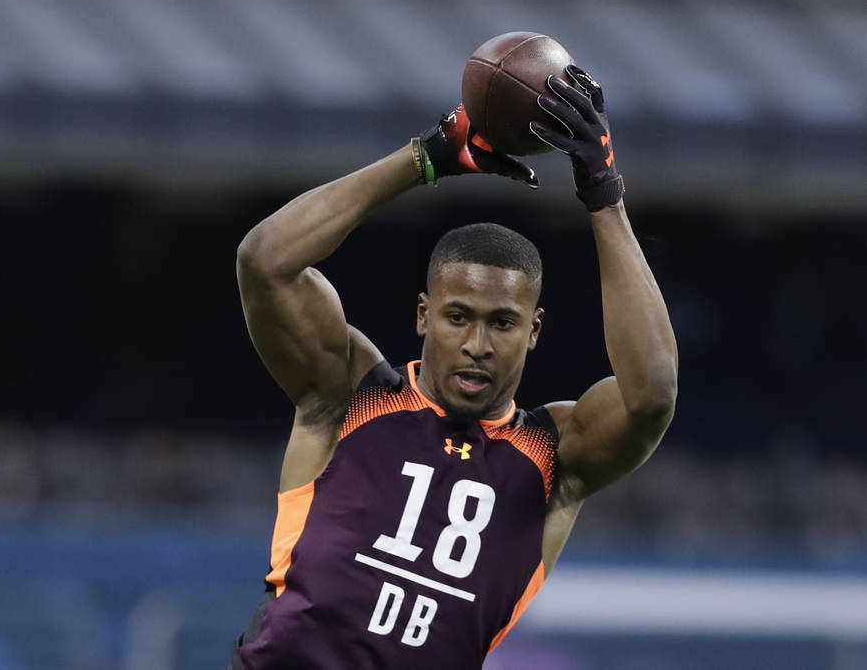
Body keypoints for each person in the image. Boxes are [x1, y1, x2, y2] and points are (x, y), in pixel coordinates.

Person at [229, 66, 678, 669]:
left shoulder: (555, 458)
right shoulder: (348, 394)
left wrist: (602, 191)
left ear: (533, 331)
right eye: (458, 316)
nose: (477, 344)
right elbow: (265, 262)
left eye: (502, 323)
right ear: (423, 315)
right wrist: (427, 157)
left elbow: (651, 394)